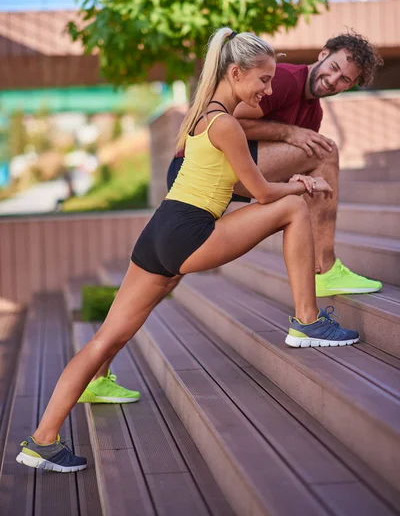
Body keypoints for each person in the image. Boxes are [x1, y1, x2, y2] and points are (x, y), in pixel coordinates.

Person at [16, 28, 359, 474]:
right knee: (294, 207)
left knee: (107, 338)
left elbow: (239, 187)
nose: (270, 90)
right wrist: (302, 183)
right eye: (263, 80)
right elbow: (259, 194)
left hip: (157, 233)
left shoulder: (203, 115)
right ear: (235, 73)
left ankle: (42, 440)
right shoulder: (228, 125)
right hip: (188, 233)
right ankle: (307, 322)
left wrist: (294, 182)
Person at [167, 32, 384, 297]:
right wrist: (287, 133)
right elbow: (224, 121)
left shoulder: (314, 112)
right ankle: (326, 270)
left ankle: (315, 274)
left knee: (167, 272)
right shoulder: (283, 80)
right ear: (323, 54)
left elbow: (293, 173)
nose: (333, 80)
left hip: (230, 178)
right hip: (196, 167)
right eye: (334, 68)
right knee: (326, 151)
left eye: (345, 80)